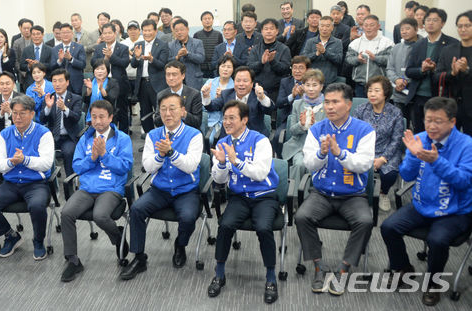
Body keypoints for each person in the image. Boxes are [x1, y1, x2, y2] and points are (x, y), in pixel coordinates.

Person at [381, 97, 472, 307]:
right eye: (428, 120)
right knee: (388, 227)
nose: (431, 125)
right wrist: (413, 156)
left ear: (452, 122)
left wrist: (436, 161)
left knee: (437, 241)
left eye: (438, 121)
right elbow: (404, 174)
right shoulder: (420, 138)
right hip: (423, 205)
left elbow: (464, 182)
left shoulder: (466, 145)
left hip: (456, 210)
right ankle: (404, 268)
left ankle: (432, 284)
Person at [295, 83, 375, 296]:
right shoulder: (316, 129)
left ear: (348, 105)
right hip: (321, 193)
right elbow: (309, 164)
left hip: (352, 195)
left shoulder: (364, 130)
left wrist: (340, 153)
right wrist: (321, 154)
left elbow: (365, 165)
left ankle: (343, 269)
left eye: (335, 102)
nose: (329, 107)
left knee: (365, 221)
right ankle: (319, 267)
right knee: (302, 216)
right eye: (327, 102)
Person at [119, 93, 202, 280]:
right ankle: (139, 257)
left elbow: (190, 165)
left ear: (183, 111)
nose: (167, 113)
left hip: (186, 190)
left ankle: (180, 245)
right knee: (137, 209)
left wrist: (171, 152)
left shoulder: (194, 135)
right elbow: (147, 167)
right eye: (163, 109)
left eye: (172, 108)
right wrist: (160, 155)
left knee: (188, 217)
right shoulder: (153, 135)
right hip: (160, 190)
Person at [207, 100, 280, 303]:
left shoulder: (260, 140)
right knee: (225, 225)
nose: (227, 122)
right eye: (225, 118)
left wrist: (235, 160)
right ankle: (219, 274)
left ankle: (271, 277)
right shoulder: (222, 142)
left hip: (264, 196)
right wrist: (222, 163)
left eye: (232, 118)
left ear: (244, 120)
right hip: (239, 197)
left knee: (264, 228)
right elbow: (219, 180)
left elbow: (260, 173)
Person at [60, 99, 133, 282]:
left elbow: (125, 167)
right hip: (87, 188)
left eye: (102, 117)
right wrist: (92, 157)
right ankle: (73, 260)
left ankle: (118, 237)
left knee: (100, 216)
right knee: (67, 213)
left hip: (111, 188)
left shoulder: (122, 138)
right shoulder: (85, 138)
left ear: (110, 117)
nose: (98, 121)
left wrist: (105, 156)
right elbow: (77, 166)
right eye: (94, 117)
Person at [0, 95, 53, 261]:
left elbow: (46, 163)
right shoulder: (5, 134)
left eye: (22, 113)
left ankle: (38, 241)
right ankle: (11, 236)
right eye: (14, 113)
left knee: (37, 206)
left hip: (36, 183)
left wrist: (24, 160)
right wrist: (12, 162)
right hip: (11, 183)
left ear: (32, 114)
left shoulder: (43, 133)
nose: (17, 117)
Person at [353, 75, 405, 211]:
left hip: (387, 150)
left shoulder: (395, 112)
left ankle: (383, 193)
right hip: (364, 149)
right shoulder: (361, 110)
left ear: (385, 93)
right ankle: (359, 193)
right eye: (370, 90)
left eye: (376, 90)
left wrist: (383, 158)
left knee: (389, 174)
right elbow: (353, 134)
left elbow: (396, 139)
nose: (372, 94)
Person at [406, 8, 459, 133]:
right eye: (428, 20)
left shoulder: (452, 44)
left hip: (440, 96)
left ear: (443, 23)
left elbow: (454, 73)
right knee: (420, 132)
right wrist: (422, 69)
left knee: (440, 133)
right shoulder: (418, 44)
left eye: (435, 20)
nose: (430, 23)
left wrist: (436, 69)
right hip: (418, 97)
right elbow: (409, 71)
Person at [281, 69, 327, 182]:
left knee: (314, 166)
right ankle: (294, 197)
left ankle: (312, 196)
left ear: (321, 87)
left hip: (319, 148)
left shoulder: (327, 106)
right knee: (299, 164)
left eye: (314, 85)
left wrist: (314, 125)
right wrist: (301, 125)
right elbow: (292, 130)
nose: (311, 89)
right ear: (303, 86)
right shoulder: (298, 104)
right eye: (307, 85)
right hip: (299, 147)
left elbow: (329, 132)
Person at [203, 66, 275, 138]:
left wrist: (262, 97)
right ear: (234, 82)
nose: (241, 84)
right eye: (238, 80)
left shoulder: (258, 95)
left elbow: (269, 110)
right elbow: (211, 106)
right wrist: (206, 96)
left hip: (254, 137)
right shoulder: (226, 94)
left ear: (252, 83)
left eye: (245, 81)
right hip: (229, 137)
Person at [131, 19, 170, 136]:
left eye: (149, 30)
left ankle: (163, 139)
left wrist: (152, 60)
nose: (147, 33)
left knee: (160, 112)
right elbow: (133, 64)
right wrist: (137, 57)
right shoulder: (138, 45)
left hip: (157, 85)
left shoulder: (162, 45)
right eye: (144, 31)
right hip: (142, 84)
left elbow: (163, 65)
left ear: (155, 31)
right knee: (145, 113)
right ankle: (150, 139)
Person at [40, 69, 82, 177]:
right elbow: (42, 120)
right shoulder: (49, 97)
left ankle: (70, 180)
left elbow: (76, 117)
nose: (57, 84)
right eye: (54, 81)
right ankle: (48, 181)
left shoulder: (75, 98)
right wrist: (48, 108)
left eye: (60, 81)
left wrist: (64, 108)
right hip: (52, 136)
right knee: (40, 151)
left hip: (68, 137)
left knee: (68, 153)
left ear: (67, 82)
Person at [436, 10, 472, 136]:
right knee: (448, 142)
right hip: (451, 106)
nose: (463, 29)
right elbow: (436, 76)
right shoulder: (448, 50)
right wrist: (452, 73)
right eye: (460, 26)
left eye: (467, 26)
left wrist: (467, 70)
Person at [91, 23, 130, 132]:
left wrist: (111, 56)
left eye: (109, 33)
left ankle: (123, 134)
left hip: (119, 83)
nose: (107, 35)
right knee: (104, 110)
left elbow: (124, 63)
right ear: (102, 34)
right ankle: (107, 133)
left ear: (115, 33)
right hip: (102, 82)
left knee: (122, 111)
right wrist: (104, 58)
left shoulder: (123, 47)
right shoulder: (98, 48)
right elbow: (93, 62)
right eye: (105, 33)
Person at [345, 15, 394, 97]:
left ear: (378, 26)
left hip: (380, 85)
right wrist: (357, 59)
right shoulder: (355, 43)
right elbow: (348, 59)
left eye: (372, 25)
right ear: (362, 26)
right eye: (366, 25)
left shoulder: (387, 43)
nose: (368, 28)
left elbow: (391, 60)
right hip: (360, 84)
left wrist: (375, 58)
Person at [248, 18, 291, 102]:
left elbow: (286, 70)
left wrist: (273, 61)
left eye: (272, 28)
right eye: (266, 29)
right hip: (258, 89)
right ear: (261, 31)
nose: (269, 31)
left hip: (277, 90)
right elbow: (250, 68)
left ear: (277, 31)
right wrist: (261, 62)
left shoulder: (284, 49)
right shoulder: (255, 49)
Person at [274, 56, 310, 155]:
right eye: (294, 67)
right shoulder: (285, 82)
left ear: (308, 70)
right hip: (288, 119)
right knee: (277, 136)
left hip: (309, 119)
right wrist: (292, 95)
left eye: (301, 68)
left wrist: (304, 95)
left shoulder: (312, 84)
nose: (297, 71)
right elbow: (279, 103)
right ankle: (282, 161)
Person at [154, 60, 202, 129]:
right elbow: (157, 122)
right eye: (168, 75)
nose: (171, 78)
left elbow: (197, 122)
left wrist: (184, 114)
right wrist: (165, 114)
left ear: (183, 76)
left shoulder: (194, 94)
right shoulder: (161, 95)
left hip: (188, 132)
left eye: (174, 74)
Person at [201, 54, 235, 146]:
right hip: (209, 121)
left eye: (229, 67)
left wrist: (221, 99)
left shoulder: (235, 86)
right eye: (223, 66)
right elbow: (203, 107)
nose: (225, 69)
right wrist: (207, 97)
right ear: (218, 68)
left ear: (233, 70)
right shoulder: (210, 83)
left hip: (226, 123)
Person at [387, 18, 419, 115]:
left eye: (407, 29)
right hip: (398, 93)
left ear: (416, 29)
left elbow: (421, 69)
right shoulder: (396, 48)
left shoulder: (422, 46)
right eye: (402, 29)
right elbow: (389, 68)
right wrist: (397, 80)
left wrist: (405, 81)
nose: (404, 32)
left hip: (415, 93)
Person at [301, 16, 343, 86]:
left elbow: (339, 59)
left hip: (330, 81)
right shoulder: (311, 41)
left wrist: (325, 52)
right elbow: (304, 59)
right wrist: (316, 54)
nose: (324, 29)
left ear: (332, 28)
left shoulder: (337, 42)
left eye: (327, 26)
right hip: (313, 81)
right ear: (318, 27)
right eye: (322, 26)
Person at [168, 19, 205, 91]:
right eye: (176, 30)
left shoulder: (197, 43)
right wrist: (177, 57)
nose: (179, 32)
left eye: (181, 30)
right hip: (177, 81)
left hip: (194, 80)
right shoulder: (170, 45)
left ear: (187, 29)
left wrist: (188, 54)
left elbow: (201, 58)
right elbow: (167, 61)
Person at [51, 23, 86, 95]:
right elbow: (52, 67)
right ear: (60, 34)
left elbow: (83, 65)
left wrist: (71, 59)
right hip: (60, 84)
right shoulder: (55, 49)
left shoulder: (79, 47)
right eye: (63, 33)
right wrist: (60, 61)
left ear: (72, 34)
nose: (65, 35)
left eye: (67, 32)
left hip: (76, 83)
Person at [83, 59, 119, 124]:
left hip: (108, 118)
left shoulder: (113, 83)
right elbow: (85, 101)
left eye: (102, 69)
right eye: (97, 69)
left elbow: (112, 100)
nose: (99, 71)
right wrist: (89, 90)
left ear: (107, 71)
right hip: (91, 118)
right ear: (94, 71)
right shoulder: (89, 81)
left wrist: (102, 90)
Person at [20, 25, 53, 93]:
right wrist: (29, 66)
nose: (36, 36)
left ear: (43, 34)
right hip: (30, 82)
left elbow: (52, 65)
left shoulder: (50, 49)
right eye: (33, 34)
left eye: (38, 34)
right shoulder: (26, 50)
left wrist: (39, 64)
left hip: (46, 81)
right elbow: (21, 66)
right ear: (31, 36)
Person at [194, 11, 223, 79]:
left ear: (212, 20)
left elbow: (221, 51)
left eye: (209, 18)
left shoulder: (218, 34)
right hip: (201, 68)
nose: (207, 20)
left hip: (215, 68)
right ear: (201, 21)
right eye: (205, 19)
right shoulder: (196, 35)